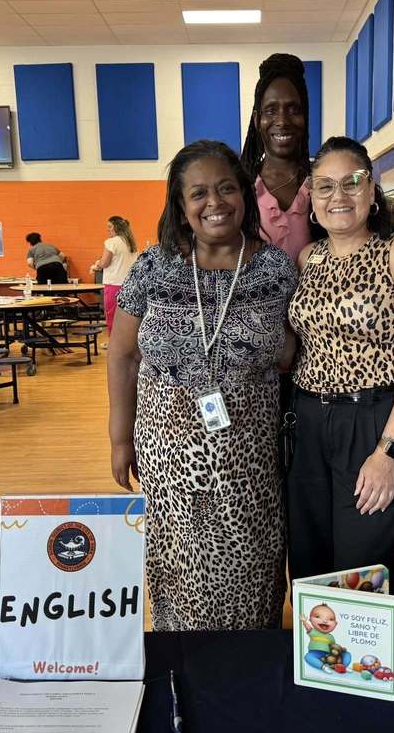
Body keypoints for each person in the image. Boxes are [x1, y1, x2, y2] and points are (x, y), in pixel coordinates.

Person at [107, 140, 297, 631]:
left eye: (226, 188)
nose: (215, 203)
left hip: (249, 455)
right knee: (178, 567)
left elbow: (292, 354)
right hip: (166, 451)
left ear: (245, 196)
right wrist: (118, 437)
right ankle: (182, 660)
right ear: (180, 204)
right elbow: (123, 355)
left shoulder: (276, 269)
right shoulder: (152, 267)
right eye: (198, 193)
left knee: (252, 564)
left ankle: (251, 665)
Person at [286, 136, 394, 605]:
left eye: (352, 183)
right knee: (311, 555)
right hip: (307, 422)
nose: (339, 196)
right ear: (311, 198)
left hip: (374, 420)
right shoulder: (307, 259)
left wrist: (388, 452)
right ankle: (319, 667)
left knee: (366, 562)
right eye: (325, 186)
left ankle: (365, 671)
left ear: (372, 192)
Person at [240, 53, 316, 263]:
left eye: (293, 109)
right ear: (257, 119)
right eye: (271, 110)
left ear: (305, 117)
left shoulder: (323, 184)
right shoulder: (240, 186)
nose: (282, 120)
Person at [89, 216, 139, 346]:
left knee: (112, 316)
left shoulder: (111, 242)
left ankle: (114, 344)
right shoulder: (131, 243)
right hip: (130, 285)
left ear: (117, 227)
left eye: (110, 227)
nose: (108, 230)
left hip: (114, 284)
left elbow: (105, 263)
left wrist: (97, 264)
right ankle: (128, 343)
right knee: (128, 317)